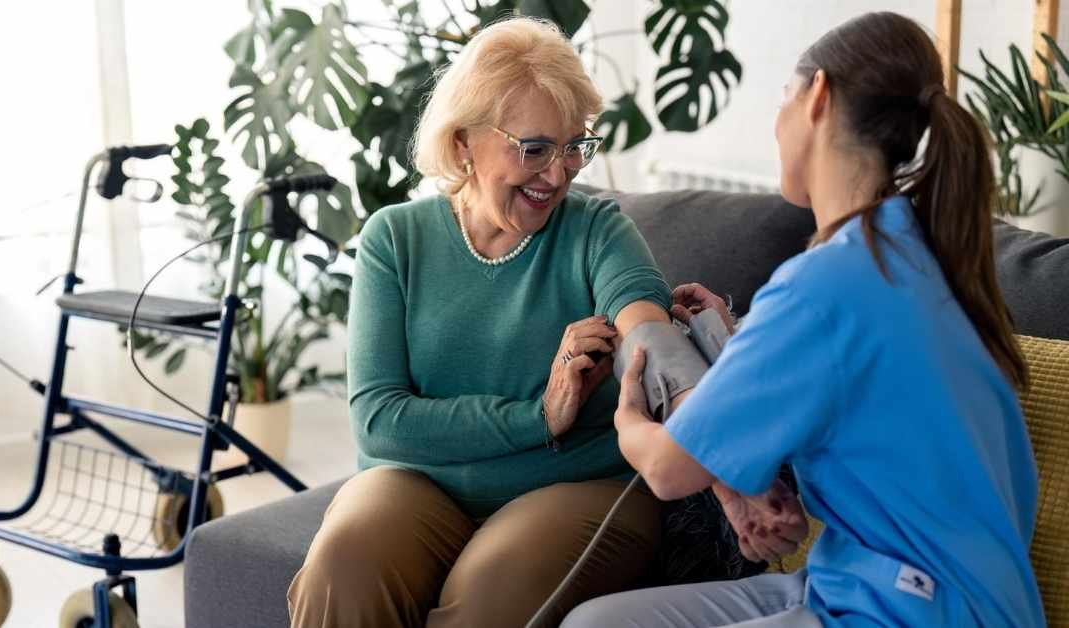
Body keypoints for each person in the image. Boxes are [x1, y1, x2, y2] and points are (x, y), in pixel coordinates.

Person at [287, 16, 803, 628]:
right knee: (343, 568)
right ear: (462, 145)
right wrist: (537, 417)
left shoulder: (597, 231)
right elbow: (378, 422)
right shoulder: (395, 240)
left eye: (574, 147)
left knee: (490, 596)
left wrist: (727, 474)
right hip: (416, 486)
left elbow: (652, 338)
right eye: (533, 149)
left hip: (576, 489)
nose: (558, 174)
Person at [562, 11, 1045, 628]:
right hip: (869, 583)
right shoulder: (917, 257)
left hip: (914, 611)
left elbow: (666, 468)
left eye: (782, 98)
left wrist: (629, 416)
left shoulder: (828, 284)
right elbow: (852, 404)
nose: (777, 122)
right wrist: (737, 349)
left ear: (816, 96)